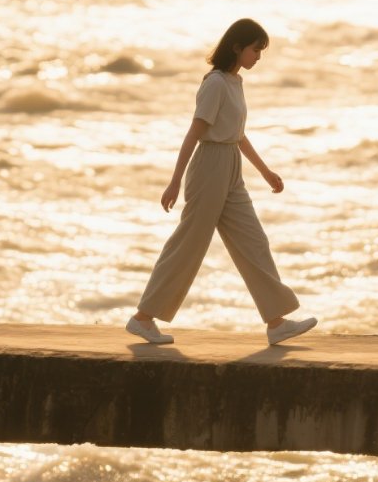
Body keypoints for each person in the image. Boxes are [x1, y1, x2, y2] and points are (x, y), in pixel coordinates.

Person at [126, 18, 317, 346]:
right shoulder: (214, 83)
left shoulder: (235, 82)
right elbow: (195, 133)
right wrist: (174, 182)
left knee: (253, 240)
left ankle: (276, 322)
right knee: (189, 243)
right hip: (209, 166)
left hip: (231, 165)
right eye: (255, 49)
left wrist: (265, 171)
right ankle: (143, 319)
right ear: (237, 47)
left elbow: (238, 135)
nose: (258, 56)